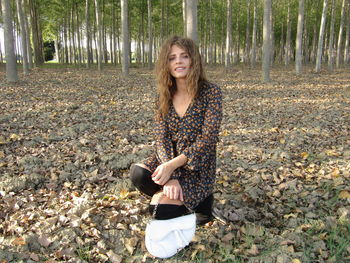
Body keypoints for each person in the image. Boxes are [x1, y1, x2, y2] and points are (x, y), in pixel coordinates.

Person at [130, 35, 223, 225]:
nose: (178, 61)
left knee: (158, 211)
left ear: (193, 60)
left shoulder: (211, 93)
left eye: (184, 56)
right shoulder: (163, 95)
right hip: (166, 158)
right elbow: (161, 138)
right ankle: (174, 196)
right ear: (167, 63)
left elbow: (208, 140)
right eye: (172, 58)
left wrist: (173, 169)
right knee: (138, 174)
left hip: (196, 164)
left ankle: (202, 205)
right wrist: (170, 176)